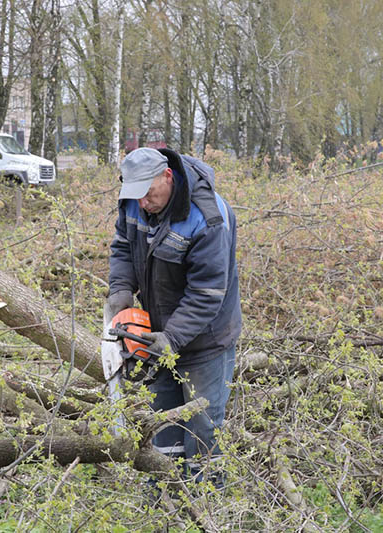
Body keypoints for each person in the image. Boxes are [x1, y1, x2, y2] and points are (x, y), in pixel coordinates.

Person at [107, 147, 242, 486]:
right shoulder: (134, 201)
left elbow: (207, 293)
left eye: (149, 194)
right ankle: (164, 498)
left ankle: (207, 500)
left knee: (203, 428)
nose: (143, 203)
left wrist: (172, 337)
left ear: (167, 177)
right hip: (156, 334)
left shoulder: (207, 218)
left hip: (206, 341)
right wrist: (121, 288)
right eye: (135, 196)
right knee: (163, 424)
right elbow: (123, 246)